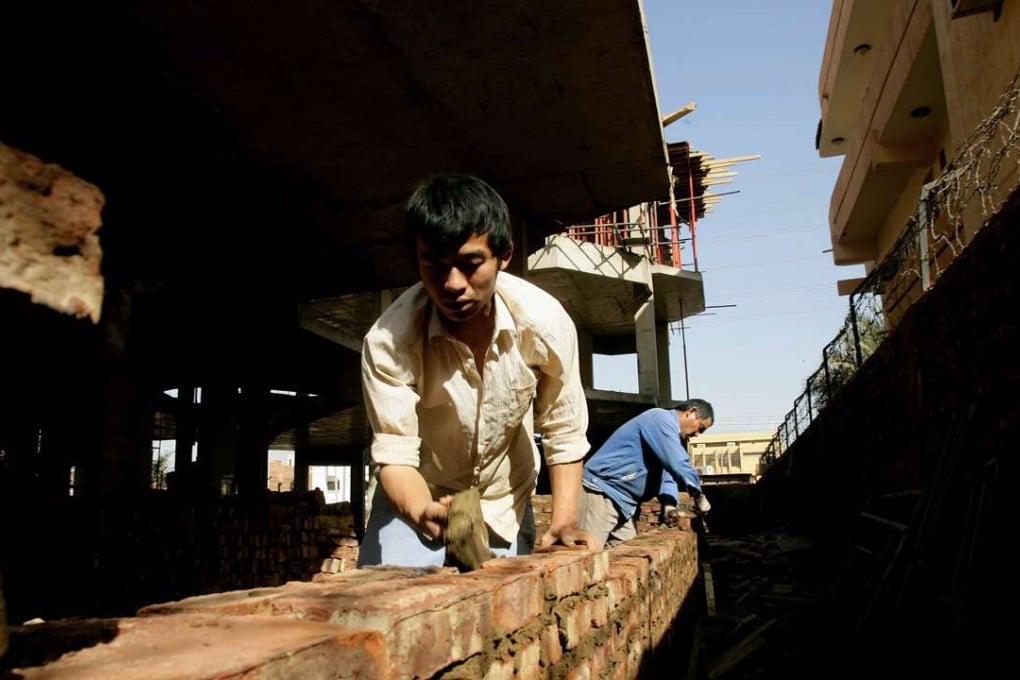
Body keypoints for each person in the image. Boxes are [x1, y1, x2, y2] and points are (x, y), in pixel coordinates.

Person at [357, 172, 595, 568]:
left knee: (505, 615)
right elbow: (395, 457)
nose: (452, 284)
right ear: (416, 261)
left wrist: (565, 520)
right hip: (418, 492)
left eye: (470, 264)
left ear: (504, 256)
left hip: (504, 500)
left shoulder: (544, 324)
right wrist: (422, 510)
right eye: (434, 265)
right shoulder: (388, 342)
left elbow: (563, 427)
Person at [578, 399, 715, 547]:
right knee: (589, 554)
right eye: (701, 427)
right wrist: (698, 495)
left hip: (625, 504)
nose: (698, 434)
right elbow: (678, 463)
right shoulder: (660, 419)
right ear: (691, 412)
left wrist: (669, 503)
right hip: (602, 492)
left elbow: (667, 474)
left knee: (628, 558)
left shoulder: (668, 437)